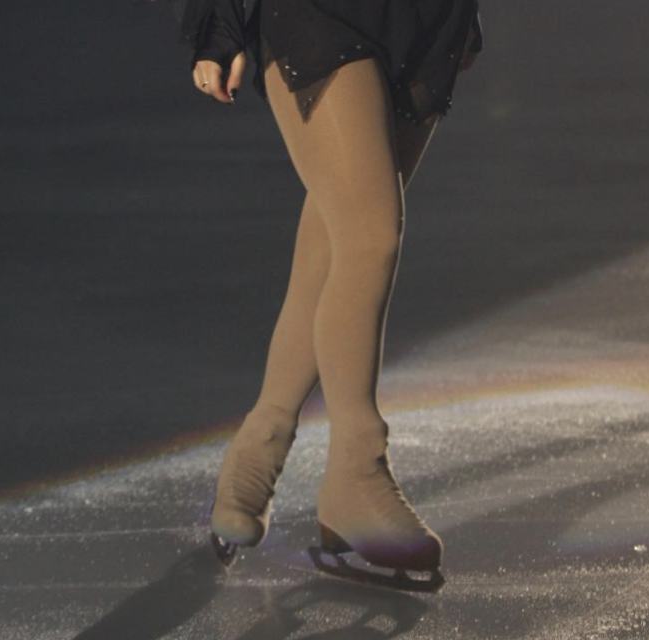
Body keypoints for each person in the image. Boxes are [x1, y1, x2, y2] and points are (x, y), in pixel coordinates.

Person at [160, 0, 482, 578]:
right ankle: (356, 474)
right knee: (369, 236)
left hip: (424, 18)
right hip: (318, 14)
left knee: (337, 244)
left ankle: (259, 449)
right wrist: (221, 25)